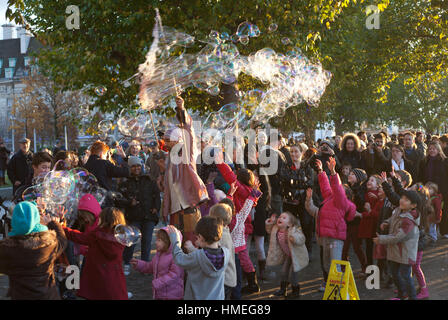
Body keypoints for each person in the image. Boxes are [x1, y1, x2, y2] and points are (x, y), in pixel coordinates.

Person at [162, 96, 209, 243]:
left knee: (192, 244)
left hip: (189, 207)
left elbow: (188, 129)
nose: (166, 143)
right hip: (175, 211)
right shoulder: (170, 158)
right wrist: (165, 209)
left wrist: (181, 109)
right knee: (176, 247)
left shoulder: (187, 153)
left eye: (168, 140)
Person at [305, 157, 356, 290]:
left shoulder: (342, 202)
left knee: (335, 265)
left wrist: (333, 173)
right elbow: (325, 185)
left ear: (347, 195)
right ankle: (332, 285)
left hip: (335, 238)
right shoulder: (330, 198)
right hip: (325, 237)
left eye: (342, 189)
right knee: (327, 265)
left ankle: (338, 289)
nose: (338, 189)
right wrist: (321, 171)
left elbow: (337, 188)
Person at [0, 201, 67, 299]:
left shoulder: (7, 250)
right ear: (37, 219)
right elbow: (62, 240)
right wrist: (52, 223)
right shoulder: (48, 244)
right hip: (48, 296)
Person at [63, 207, 129, 300]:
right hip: (115, 278)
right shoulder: (122, 237)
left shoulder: (97, 234)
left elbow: (79, 237)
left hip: (98, 276)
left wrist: (62, 228)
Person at [166, 217, 230, 300]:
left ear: (201, 237)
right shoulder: (226, 253)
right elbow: (207, 258)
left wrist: (175, 240)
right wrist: (193, 250)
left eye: (197, 238)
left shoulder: (196, 256)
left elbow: (179, 259)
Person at [373, 190, 421, 300]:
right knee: (394, 273)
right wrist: (386, 222)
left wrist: (381, 239)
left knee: (405, 276)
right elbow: (392, 219)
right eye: (402, 198)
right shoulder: (398, 210)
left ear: (413, 205)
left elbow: (397, 237)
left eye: (406, 200)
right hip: (395, 251)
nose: (402, 201)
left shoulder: (409, 221)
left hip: (405, 252)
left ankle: (412, 297)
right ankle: (402, 294)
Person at [119, 156, 160, 276]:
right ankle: (127, 262)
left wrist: (156, 208)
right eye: (133, 166)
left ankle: (145, 265)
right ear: (130, 168)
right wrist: (128, 203)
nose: (136, 168)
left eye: (138, 165)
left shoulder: (149, 179)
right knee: (131, 241)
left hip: (148, 216)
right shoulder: (125, 182)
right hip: (133, 216)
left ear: (141, 166)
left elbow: (156, 195)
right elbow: (119, 199)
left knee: (147, 241)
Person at [130, 227, 184, 300]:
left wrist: (159, 282)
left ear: (169, 242)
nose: (156, 242)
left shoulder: (176, 257)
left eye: (159, 240)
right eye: (156, 239)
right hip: (159, 292)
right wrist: (139, 264)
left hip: (172, 294)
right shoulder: (158, 254)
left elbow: (175, 274)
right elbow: (151, 267)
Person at [265, 211, 309, 299]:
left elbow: (302, 238)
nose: (280, 218)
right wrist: (270, 221)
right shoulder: (276, 228)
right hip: (288, 256)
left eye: (284, 218)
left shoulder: (294, 230)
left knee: (292, 274)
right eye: (280, 217)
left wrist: (294, 238)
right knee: (283, 272)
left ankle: (295, 291)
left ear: (289, 223)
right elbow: (268, 229)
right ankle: (282, 289)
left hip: (296, 257)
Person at [280, 144, 315, 256]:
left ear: (301, 153)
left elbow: (310, 182)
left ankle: (307, 250)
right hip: (289, 200)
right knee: (290, 225)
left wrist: (295, 180)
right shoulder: (286, 166)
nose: (294, 154)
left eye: (296, 152)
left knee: (306, 224)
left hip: (304, 200)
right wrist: (301, 180)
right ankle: (290, 250)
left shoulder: (306, 166)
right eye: (292, 152)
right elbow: (284, 179)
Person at [418, 141, 448, 238]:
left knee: (442, 211)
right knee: (429, 211)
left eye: (434, 148)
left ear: (438, 149)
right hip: (428, 190)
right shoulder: (424, 162)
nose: (431, 150)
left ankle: (444, 231)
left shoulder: (445, 161)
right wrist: (422, 188)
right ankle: (430, 233)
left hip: (442, 190)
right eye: (430, 149)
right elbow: (420, 177)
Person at [209, 203, 237, 299]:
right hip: (229, 277)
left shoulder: (221, 237)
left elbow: (212, 251)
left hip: (225, 279)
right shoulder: (225, 231)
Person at [358, 175, 383, 267]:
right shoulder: (366, 194)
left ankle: (378, 269)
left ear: (378, 185)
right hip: (368, 224)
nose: (369, 181)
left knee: (377, 248)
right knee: (368, 247)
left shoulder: (379, 194)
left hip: (375, 224)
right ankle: (370, 268)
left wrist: (376, 198)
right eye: (368, 180)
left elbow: (377, 210)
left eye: (372, 180)